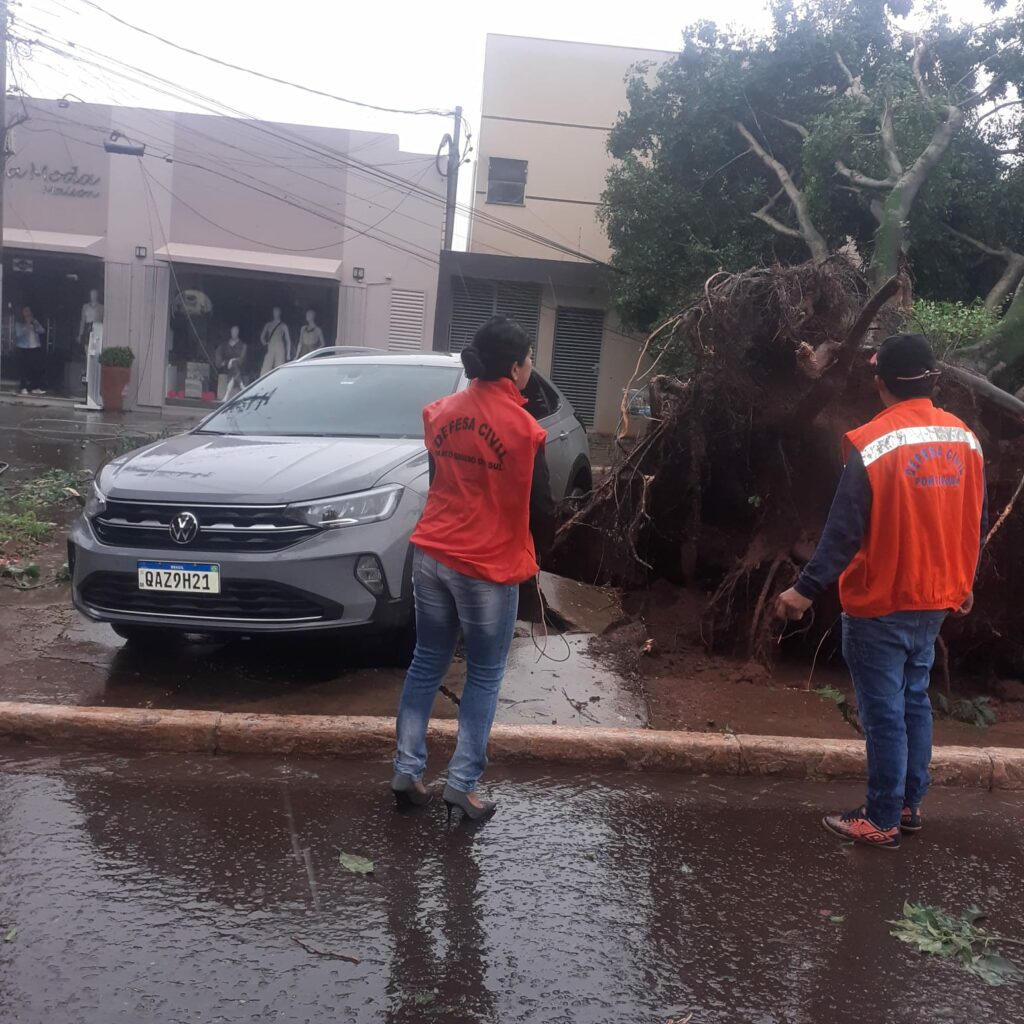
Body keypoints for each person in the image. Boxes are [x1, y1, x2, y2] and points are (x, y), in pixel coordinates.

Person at [776, 333, 987, 850]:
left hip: (881, 602)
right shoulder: (964, 439)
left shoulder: (873, 443)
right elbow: (970, 521)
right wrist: (964, 582)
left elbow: (843, 531)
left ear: (881, 384)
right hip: (935, 597)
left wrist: (804, 590)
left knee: (885, 712)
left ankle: (881, 816)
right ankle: (911, 804)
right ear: (932, 379)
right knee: (914, 700)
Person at [391, 316, 557, 821]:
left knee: (426, 660)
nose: (532, 367)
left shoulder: (440, 414)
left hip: (432, 556)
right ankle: (462, 785)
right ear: (514, 368)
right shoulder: (526, 431)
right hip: (487, 567)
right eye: (529, 360)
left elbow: (442, 481)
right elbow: (544, 509)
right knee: (484, 673)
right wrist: (534, 558)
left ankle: (406, 768)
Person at [14, 306, 46, 395]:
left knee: (36, 369)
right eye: (25, 311)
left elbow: (42, 331)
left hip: (35, 347)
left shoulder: (34, 322)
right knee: (24, 369)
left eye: (29, 311)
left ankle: (35, 387)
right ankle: (23, 387)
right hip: (23, 348)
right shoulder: (19, 324)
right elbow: (18, 334)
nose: (28, 313)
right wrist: (26, 326)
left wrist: (34, 323)